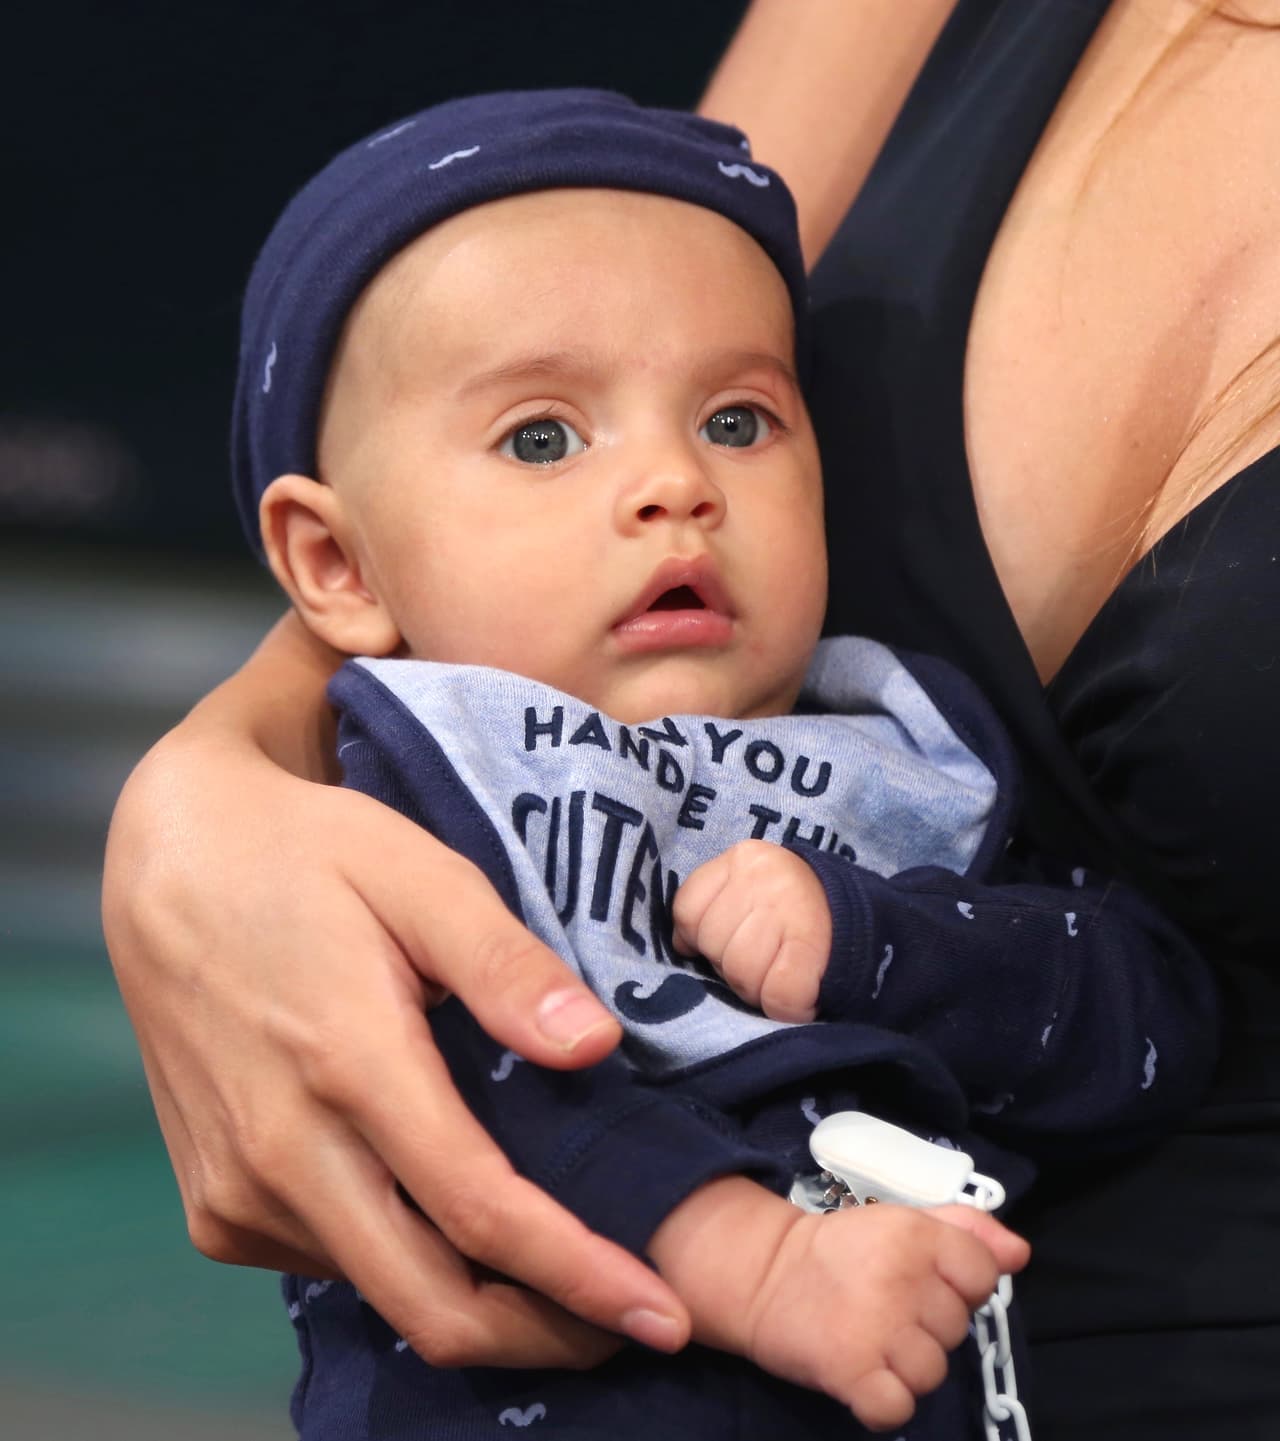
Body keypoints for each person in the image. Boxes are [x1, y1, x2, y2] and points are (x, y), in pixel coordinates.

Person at [101, 2, 1280, 1436]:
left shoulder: (900, 745)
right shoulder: (428, 786)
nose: (675, 482)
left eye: (739, 420)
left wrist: (877, 938)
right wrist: (755, 1258)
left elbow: (1146, 1015)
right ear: (333, 566)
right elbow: (472, 1082)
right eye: (544, 437)